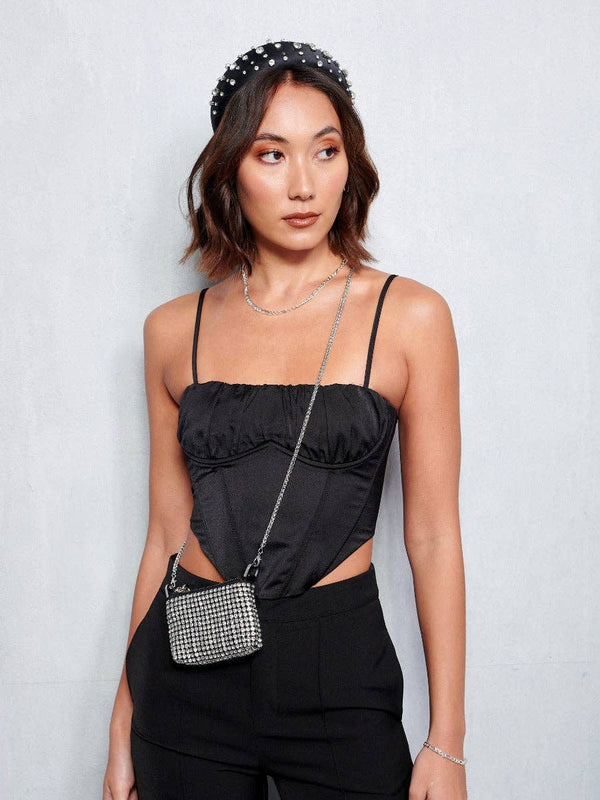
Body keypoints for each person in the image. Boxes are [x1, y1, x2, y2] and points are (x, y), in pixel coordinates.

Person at [103, 39, 467, 800]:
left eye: (325, 151)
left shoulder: (410, 316)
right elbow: (165, 537)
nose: (303, 184)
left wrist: (447, 742)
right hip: (186, 680)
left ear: (349, 164)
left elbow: (433, 536)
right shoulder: (172, 330)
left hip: (338, 668)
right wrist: (121, 725)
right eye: (271, 155)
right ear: (230, 170)